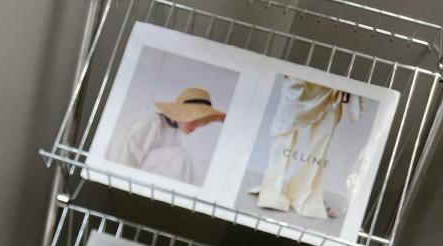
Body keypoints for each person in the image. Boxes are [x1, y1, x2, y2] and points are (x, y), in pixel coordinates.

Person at [248, 77, 364, 220]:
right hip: (305, 75)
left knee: (324, 130)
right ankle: (272, 189)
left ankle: (307, 193)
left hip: (334, 80)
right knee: (286, 125)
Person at [107, 87, 226, 185]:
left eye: (201, 123)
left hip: (148, 183)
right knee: (180, 155)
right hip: (126, 180)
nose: (196, 127)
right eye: (194, 120)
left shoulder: (175, 134)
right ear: (181, 114)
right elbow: (124, 157)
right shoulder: (150, 122)